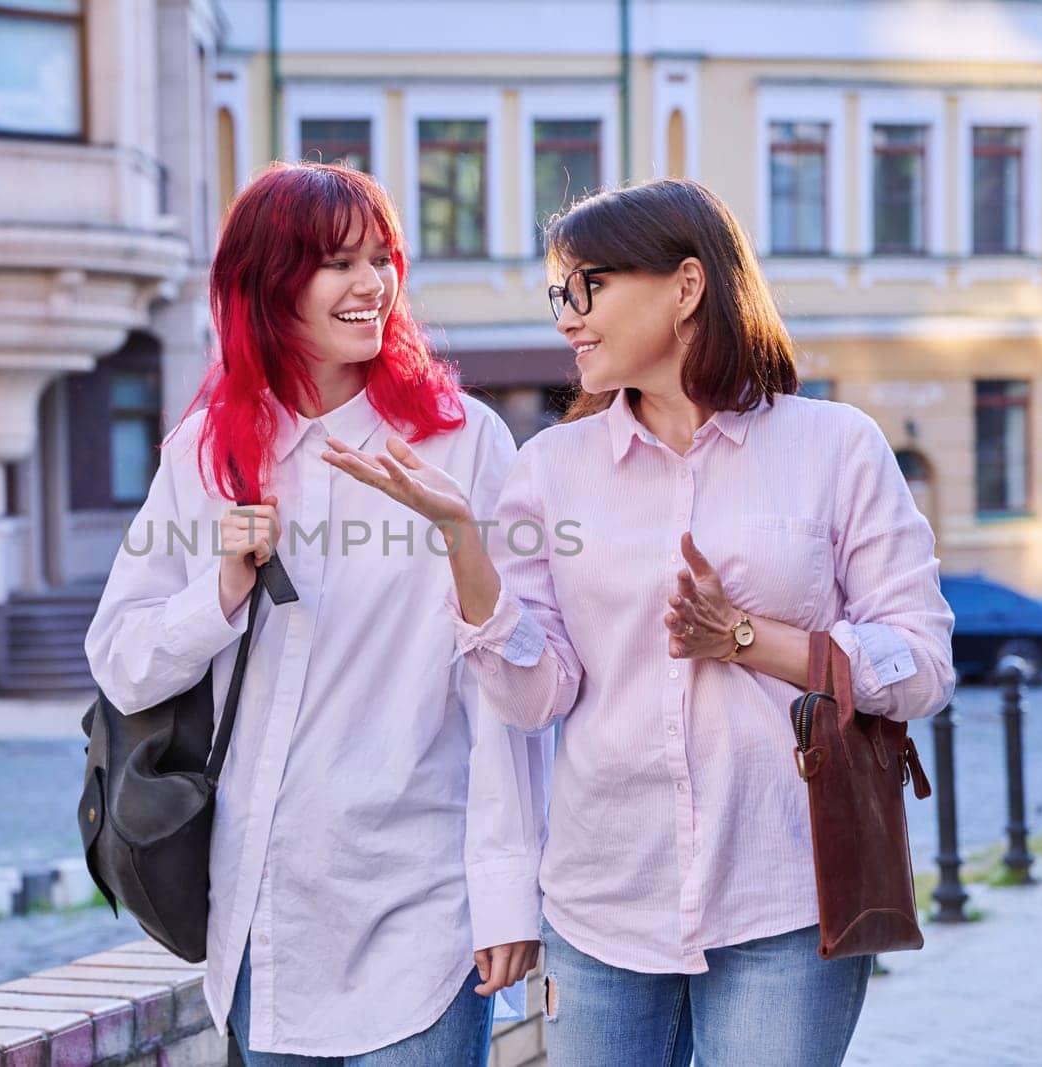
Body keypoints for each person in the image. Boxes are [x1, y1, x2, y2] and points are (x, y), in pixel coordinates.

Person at [322, 178, 955, 1066]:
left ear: (686, 286)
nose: (567, 319)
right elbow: (534, 697)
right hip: (602, 906)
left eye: (588, 289)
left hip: (785, 893)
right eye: (559, 295)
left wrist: (745, 637)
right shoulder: (549, 471)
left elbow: (923, 664)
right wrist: (463, 543)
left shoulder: (836, 447)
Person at [85, 161, 548, 1065]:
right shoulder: (206, 453)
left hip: (424, 905)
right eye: (337, 263)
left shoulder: (461, 441)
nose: (371, 284)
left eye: (382, 258)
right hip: (267, 918)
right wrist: (220, 590)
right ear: (267, 284)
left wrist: (505, 895)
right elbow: (122, 658)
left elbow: (502, 688)